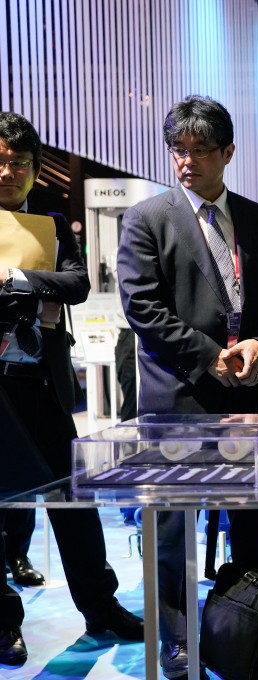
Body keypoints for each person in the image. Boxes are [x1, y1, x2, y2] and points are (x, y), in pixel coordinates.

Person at [118, 96, 258, 679]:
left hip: (251, 399)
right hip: (179, 397)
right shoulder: (148, 219)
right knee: (171, 528)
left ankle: (252, 630)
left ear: (228, 153)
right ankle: (174, 640)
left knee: (252, 522)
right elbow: (142, 307)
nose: (188, 162)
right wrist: (208, 357)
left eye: (200, 151)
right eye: (179, 151)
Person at [0, 111, 144, 664]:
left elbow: (78, 284)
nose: (10, 171)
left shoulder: (54, 227)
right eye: (2, 162)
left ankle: (100, 607)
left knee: (74, 502)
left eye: (20, 163)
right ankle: (4, 625)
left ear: (36, 170)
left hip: (46, 386)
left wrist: (18, 280)